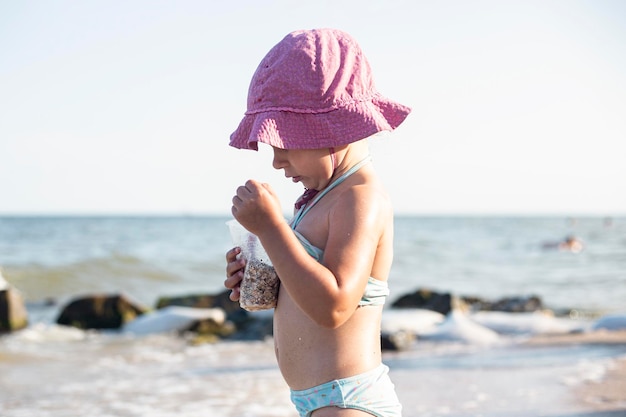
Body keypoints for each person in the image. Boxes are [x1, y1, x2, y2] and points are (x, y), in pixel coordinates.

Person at [225, 28, 411, 417]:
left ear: (329, 129)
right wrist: (264, 277)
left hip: (348, 402)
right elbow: (310, 292)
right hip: (319, 402)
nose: (276, 161)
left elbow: (334, 307)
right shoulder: (321, 199)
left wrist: (272, 228)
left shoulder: (359, 197)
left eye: (284, 143)